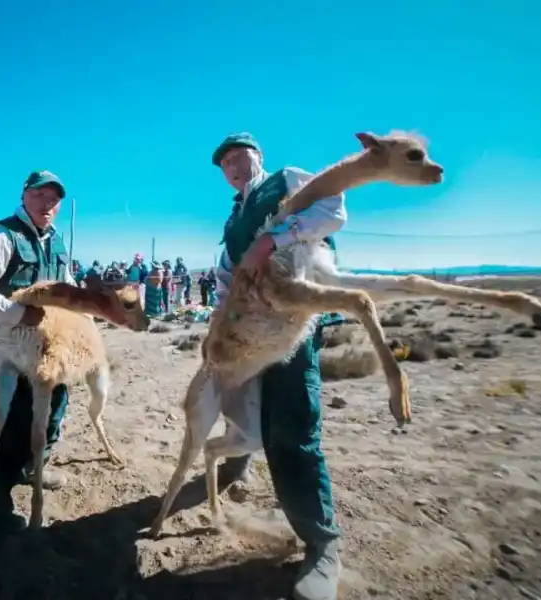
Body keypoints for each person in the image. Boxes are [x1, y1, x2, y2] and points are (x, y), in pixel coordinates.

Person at [211, 132, 347, 600]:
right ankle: (238, 461)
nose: (232, 164)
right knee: (240, 396)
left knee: (292, 428)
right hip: (252, 326)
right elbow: (228, 267)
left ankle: (321, 544)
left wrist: (273, 240)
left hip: (294, 324)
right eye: (224, 161)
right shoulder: (233, 217)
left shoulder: (287, 180)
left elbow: (333, 212)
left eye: (238, 155)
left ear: (258, 156)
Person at [0, 170, 75, 535]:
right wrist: (18, 314)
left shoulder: (56, 241)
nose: (48, 204)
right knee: (15, 418)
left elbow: (66, 285)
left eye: (54, 199)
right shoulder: (1, 236)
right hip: (8, 347)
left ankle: (32, 466)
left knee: (56, 405)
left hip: (47, 347)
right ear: (25, 196)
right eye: (40, 195)